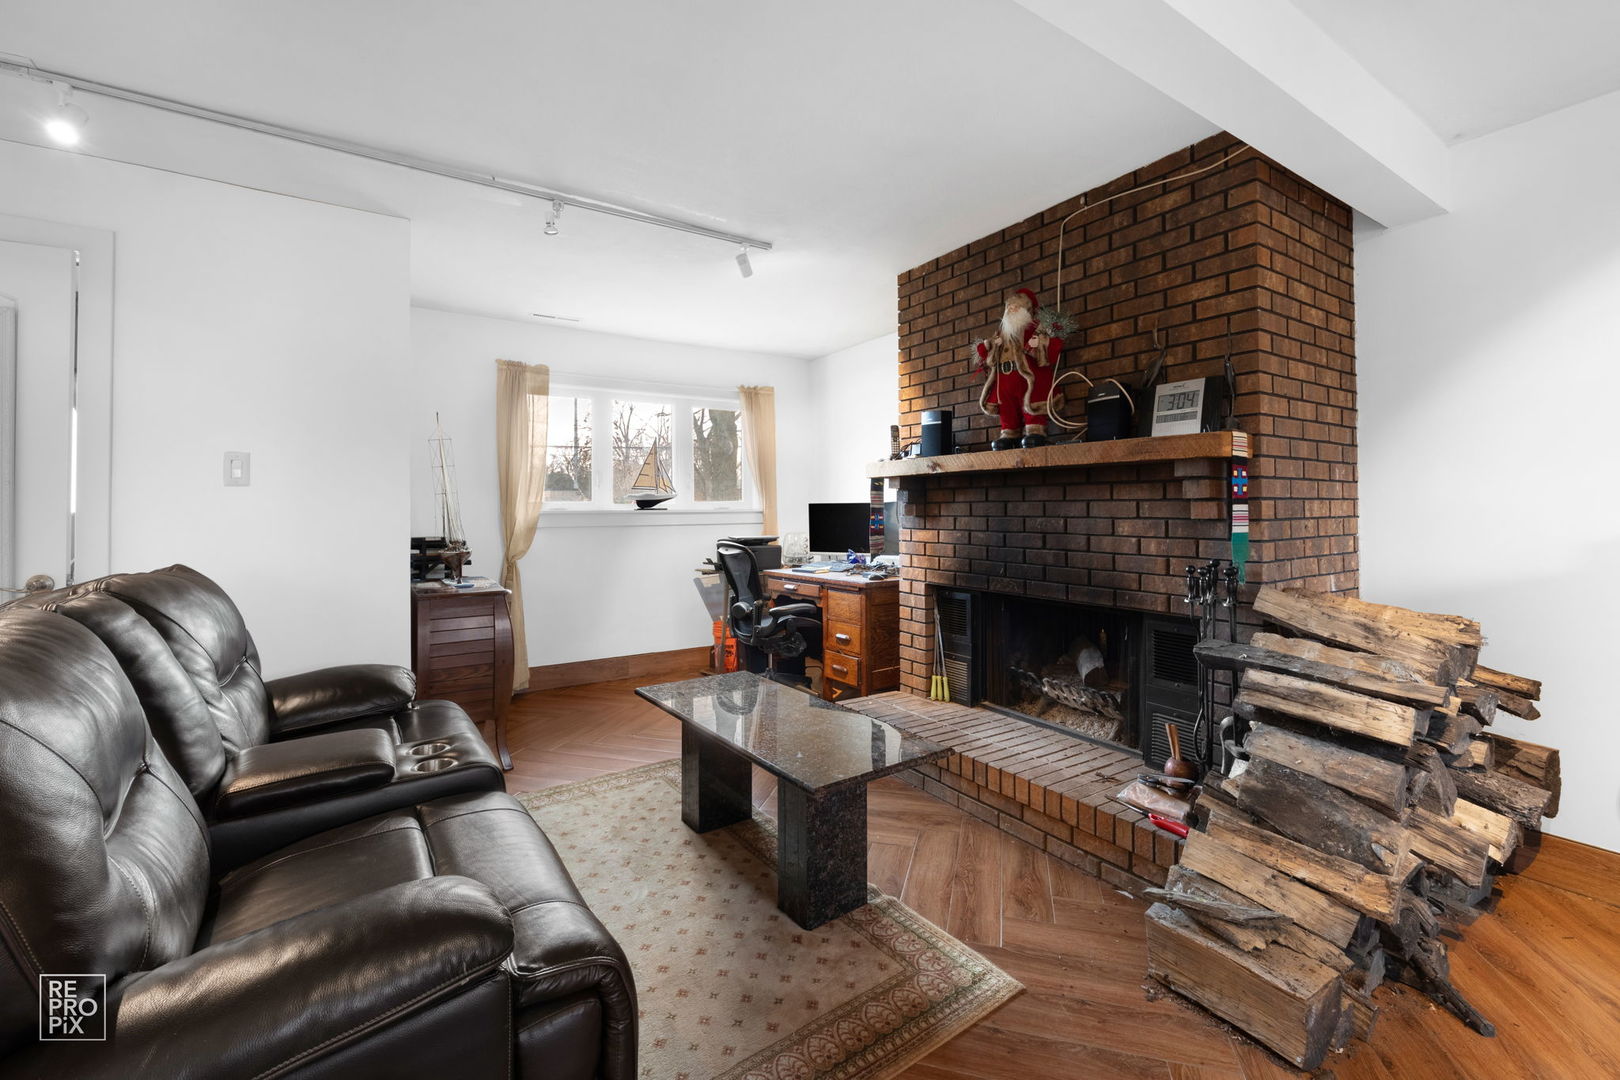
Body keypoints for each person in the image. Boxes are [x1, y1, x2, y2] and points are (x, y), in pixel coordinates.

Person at [973, 287, 1064, 449]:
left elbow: (1053, 346)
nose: (1012, 309)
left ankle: (1035, 430)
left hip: (1027, 378)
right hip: (1004, 379)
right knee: (1007, 408)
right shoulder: (1001, 334)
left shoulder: (1034, 328)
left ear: (1027, 309)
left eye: (1016, 306)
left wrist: (1038, 344)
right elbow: (986, 355)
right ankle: (1009, 433)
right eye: (1010, 306)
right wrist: (991, 346)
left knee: (1031, 402)